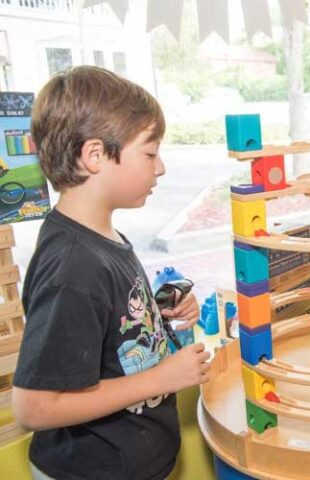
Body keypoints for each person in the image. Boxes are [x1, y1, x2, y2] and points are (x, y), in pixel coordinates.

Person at [12, 66, 211, 480]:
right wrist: (160, 377)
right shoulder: (71, 267)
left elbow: (102, 325)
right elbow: (34, 407)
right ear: (95, 155)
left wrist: (154, 312)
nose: (161, 169)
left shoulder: (99, 234)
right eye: (151, 152)